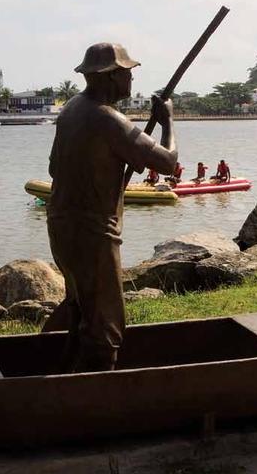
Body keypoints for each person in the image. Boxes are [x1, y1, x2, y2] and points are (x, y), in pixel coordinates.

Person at [41, 42, 178, 372]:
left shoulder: (71, 110)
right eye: (128, 74)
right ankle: (96, 396)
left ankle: (58, 371)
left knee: (79, 308)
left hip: (60, 225)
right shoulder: (109, 120)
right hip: (93, 234)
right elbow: (168, 162)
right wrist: (167, 121)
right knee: (106, 326)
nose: (131, 82)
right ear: (110, 77)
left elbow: (53, 168)